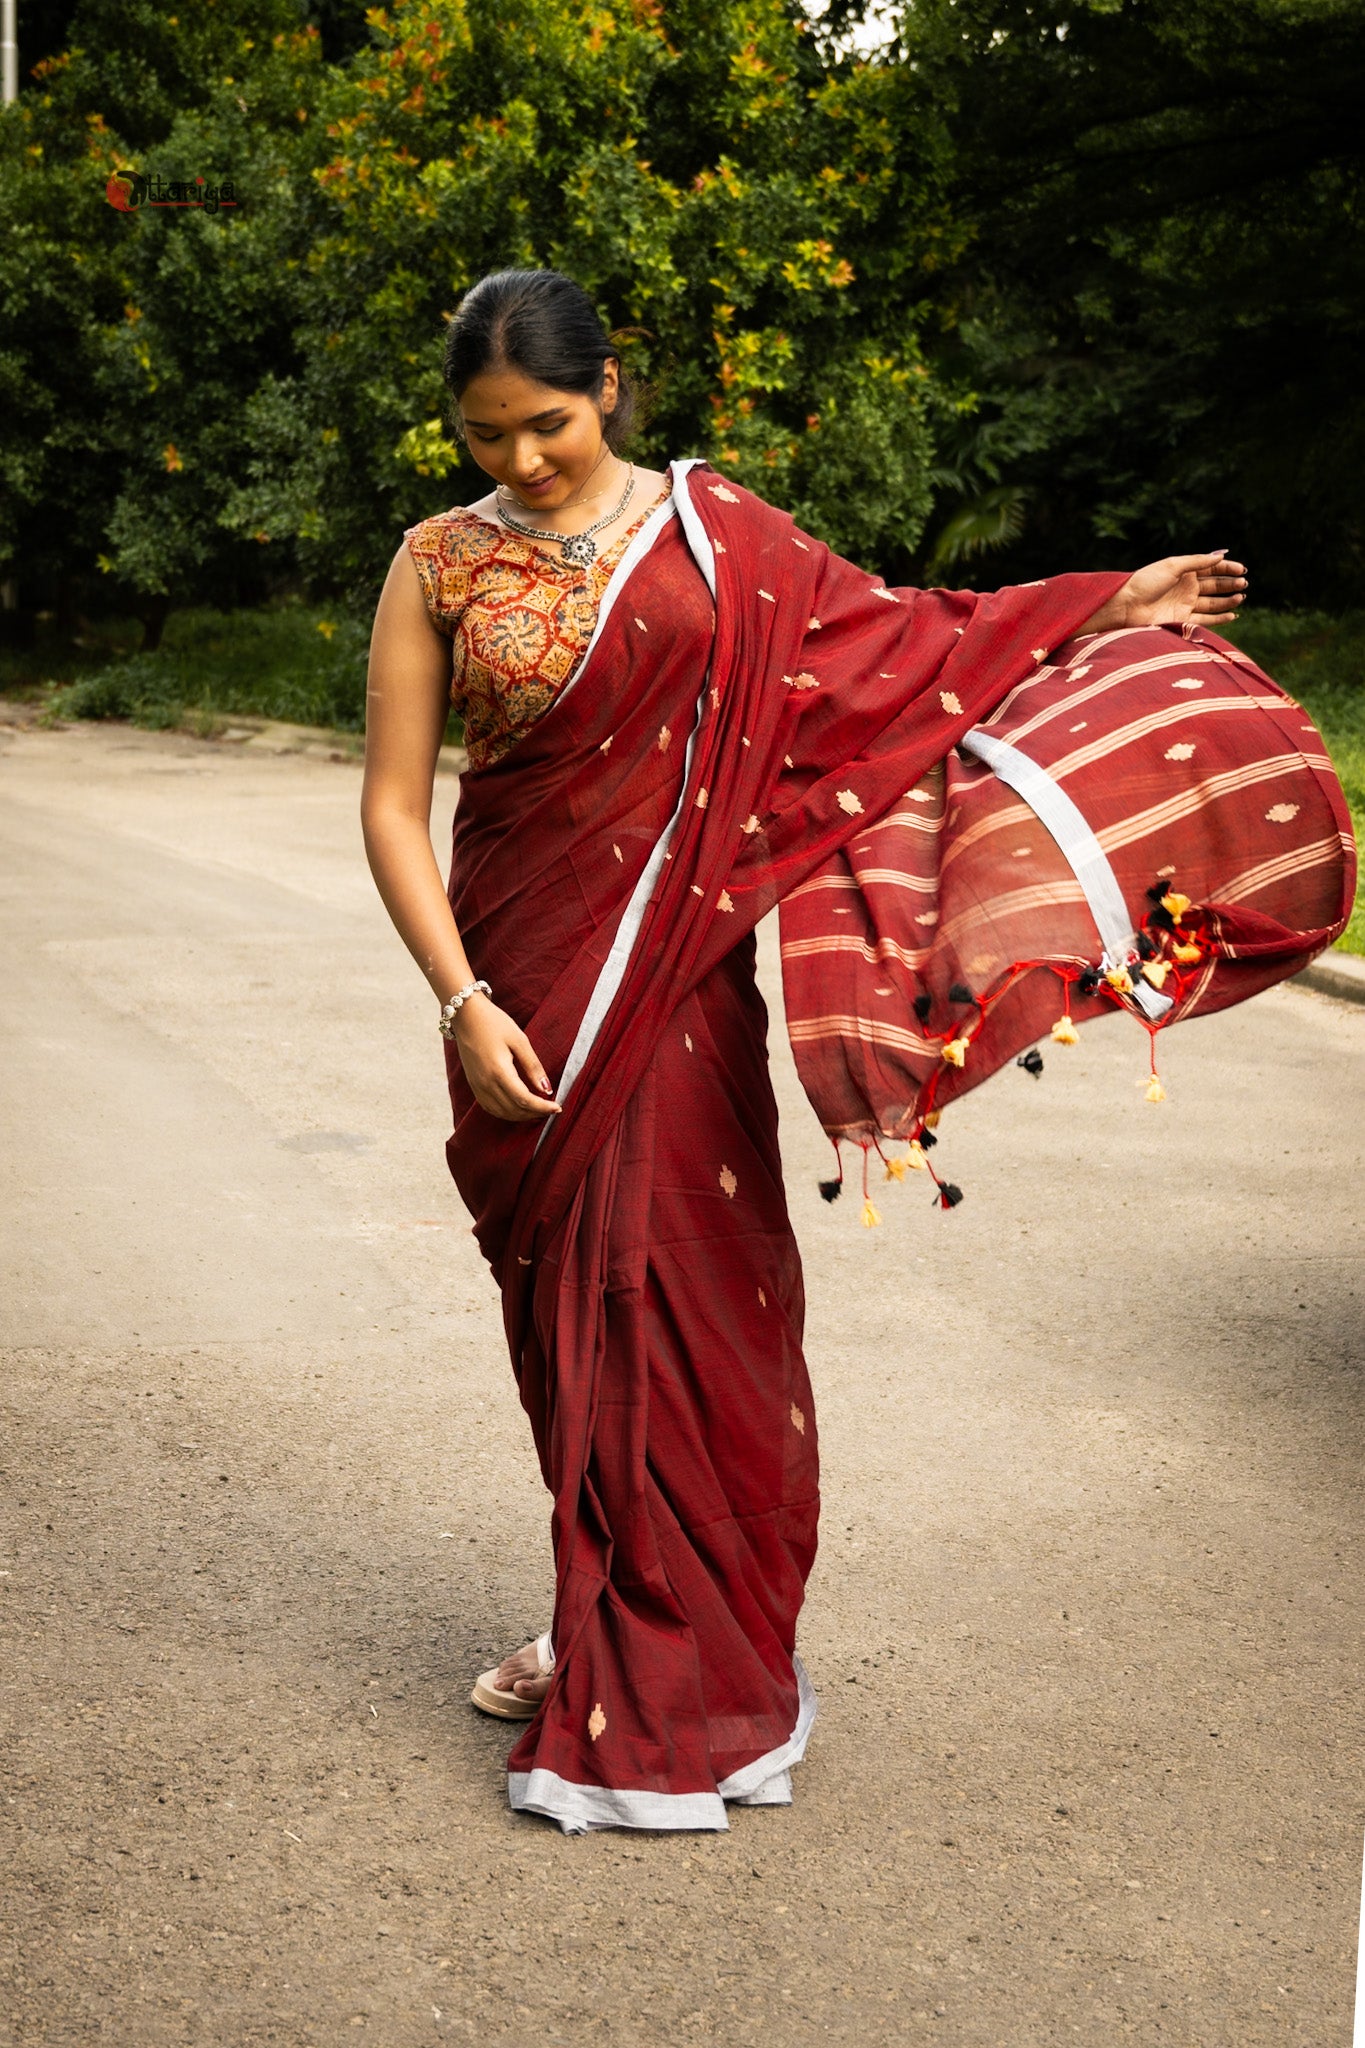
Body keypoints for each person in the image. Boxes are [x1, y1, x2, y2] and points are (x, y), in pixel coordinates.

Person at [361, 266, 1257, 1835]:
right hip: (524, 976)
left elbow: (898, 649)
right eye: (485, 434)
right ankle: (602, 1614)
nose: (519, 463)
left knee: (686, 1308)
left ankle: (680, 1665)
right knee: (570, 1326)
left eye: (547, 425)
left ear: (612, 387)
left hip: (678, 988)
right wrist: (460, 996)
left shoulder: (721, 539)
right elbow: (390, 804)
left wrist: (1103, 603)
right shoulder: (435, 564)